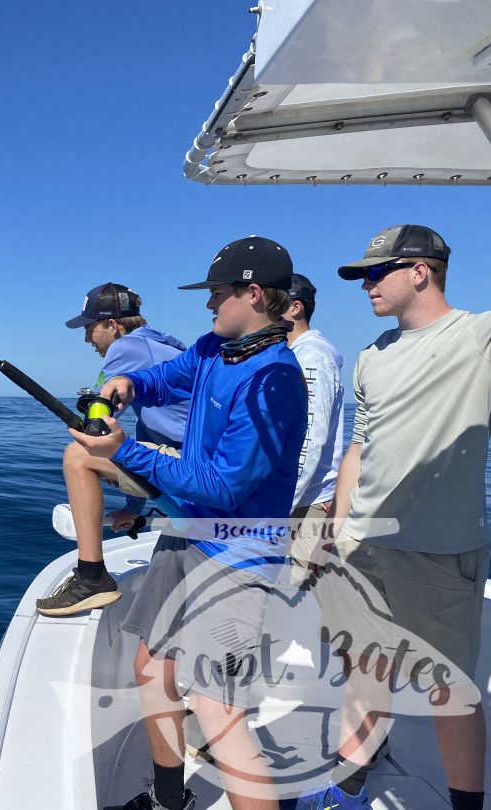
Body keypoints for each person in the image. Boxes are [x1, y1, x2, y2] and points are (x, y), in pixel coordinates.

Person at [75, 236, 308, 810]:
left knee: (217, 706)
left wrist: (124, 452)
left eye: (217, 293)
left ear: (253, 294)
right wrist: (129, 385)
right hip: (188, 536)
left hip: (239, 553)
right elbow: (170, 377)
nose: (209, 305)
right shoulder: (214, 347)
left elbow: (225, 486)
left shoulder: (273, 381)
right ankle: (168, 799)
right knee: (151, 668)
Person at [296, 225, 490, 810]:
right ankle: (351, 778)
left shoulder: (478, 337)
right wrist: (335, 529)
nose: (367, 286)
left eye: (377, 273)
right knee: (363, 667)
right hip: (363, 545)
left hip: (437, 551)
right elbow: (360, 447)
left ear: (421, 272)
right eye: (363, 277)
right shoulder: (371, 355)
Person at [35, 283, 189, 617]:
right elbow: (147, 434)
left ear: (113, 325)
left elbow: (99, 419)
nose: (88, 339)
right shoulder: (160, 346)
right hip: (193, 463)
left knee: (78, 456)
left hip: (191, 470)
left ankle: (92, 579)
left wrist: (88, 422)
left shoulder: (128, 348)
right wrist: (133, 507)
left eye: (90, 329)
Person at [283, 274, 345, 581]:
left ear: (295, 308)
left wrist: (279, 508)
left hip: (306, 505)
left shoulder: (311, 356)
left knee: (300, 596)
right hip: (297, 500)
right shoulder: (296, 355)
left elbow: (310, 440)